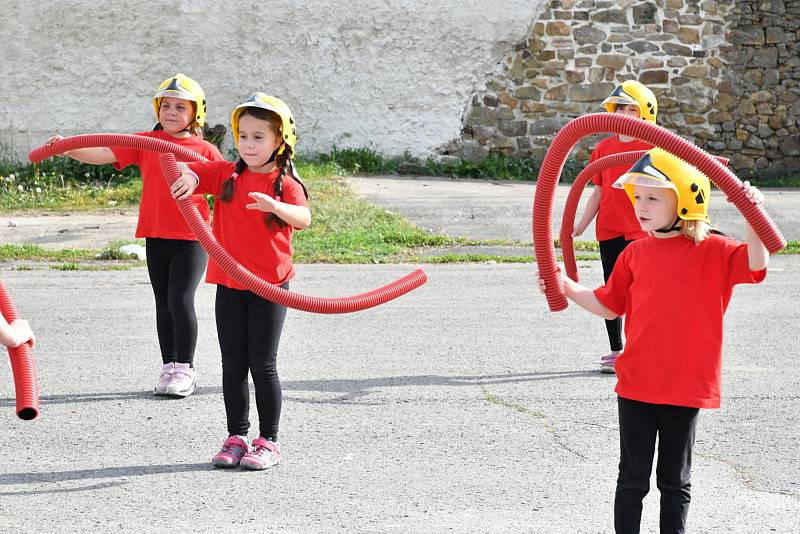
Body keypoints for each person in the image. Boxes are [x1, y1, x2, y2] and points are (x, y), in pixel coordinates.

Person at [539, 148, 769, 533]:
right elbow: (608, 306)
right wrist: (564, 283)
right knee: (631, 479)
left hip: (685, 387)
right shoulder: (634, 253)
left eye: (652, 197)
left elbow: (757, 263)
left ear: (685, 199)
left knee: (674, 482)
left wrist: (751, 213)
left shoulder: (714, 249)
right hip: (637, 384)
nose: (640, 206)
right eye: (637, 197)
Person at [46, 74, 224, 398]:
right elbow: (102, 152)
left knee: (180, 300)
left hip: (191, 237)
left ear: (196, 113)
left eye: (179, 107)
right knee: (162, 303)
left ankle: (185, 367)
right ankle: (168, 366)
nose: (171, 112)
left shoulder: (204, 150)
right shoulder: (145, 142)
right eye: (165, 105)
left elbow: (227, 187)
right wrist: (68, 149)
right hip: (156, 235)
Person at [170, 93, 310, 470]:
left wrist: (276, 206)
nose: (249, 144)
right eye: (243, 136)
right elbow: (199, 172)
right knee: (232, 364)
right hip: (229, 285)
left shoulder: (284, 183)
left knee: (262, 364)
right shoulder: (230, 174)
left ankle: (268, 441)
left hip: (269, 288)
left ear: (280, 141)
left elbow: (304, 218)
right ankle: (236, 437)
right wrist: (188, 176)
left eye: (258, 137)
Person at [573, 80, 658, 373]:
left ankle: (641, 349)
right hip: (609, 230)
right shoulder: (603, 148)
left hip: (640, 231)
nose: (623, 114)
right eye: (618, 108)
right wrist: (581, 224)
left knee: (640, 292)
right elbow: (597, 190)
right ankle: (616, 351)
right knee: (613, 290)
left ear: (645, 113)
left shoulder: (652, 148)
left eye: (630, 109)